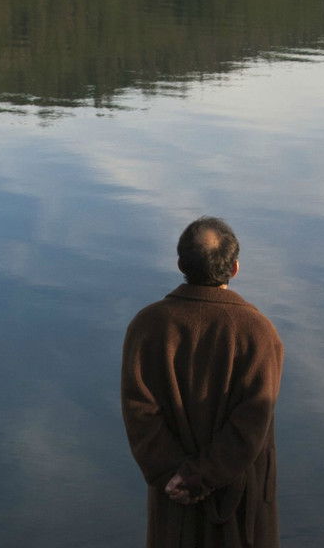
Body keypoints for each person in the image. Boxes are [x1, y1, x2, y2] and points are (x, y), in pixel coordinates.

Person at [121, 217, 285, 548]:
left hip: (173, 491)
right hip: (237, 492)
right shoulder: (257, 331)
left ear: (181, 264)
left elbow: (140, 410)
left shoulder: (148, 325)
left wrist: (174, 476)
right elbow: (253, 418)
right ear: (235, 268)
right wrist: (203, 476)